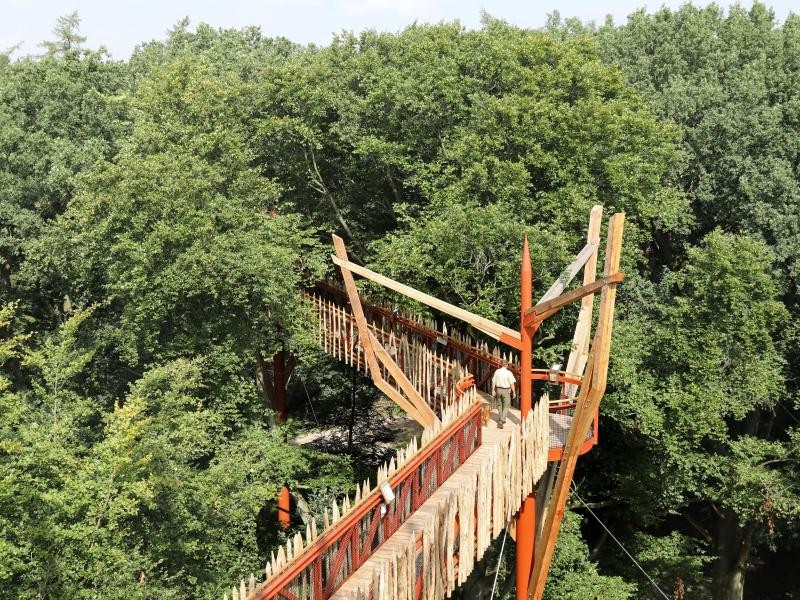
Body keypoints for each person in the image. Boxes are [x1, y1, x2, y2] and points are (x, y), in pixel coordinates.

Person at [491, 359, 516, 428]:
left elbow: (494, 382)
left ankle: (500, 418)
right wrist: (514, 392)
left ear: (501, 365)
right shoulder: (509, 373)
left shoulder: (497, 371)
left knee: (499, 405)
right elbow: (512, 383)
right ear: (507, 365)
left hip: (498, 389)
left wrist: (493, 390)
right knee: (507, 405)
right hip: (506, 390)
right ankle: (502, 420)